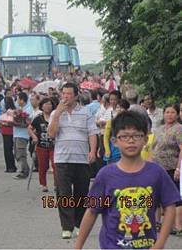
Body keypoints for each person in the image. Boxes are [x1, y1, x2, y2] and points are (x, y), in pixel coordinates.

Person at [75, 111, 180, 249]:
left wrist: (159, 244)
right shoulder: (105, 175)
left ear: (146, 139)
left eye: (137, 135)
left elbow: (170, 206)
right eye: (124, 136)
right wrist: (78, 246)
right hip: (112, 245)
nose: (131, 140)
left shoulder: (156, 173)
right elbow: (91, 211)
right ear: (115, 141)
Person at [48, 82, 98, 239]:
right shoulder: (56, 113)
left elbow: (92, 133)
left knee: (81, 192)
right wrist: (57, 114)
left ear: (76, 95)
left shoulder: (85, 112)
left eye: (69, 94)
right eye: (63, 94)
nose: (66, 97)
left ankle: (79, 224)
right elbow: (51, 134)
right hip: (62, 158)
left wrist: (93, 151)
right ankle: (66, 226)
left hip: (81, 158)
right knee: (64, 192)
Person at [150, 103, 182, 235]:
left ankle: (177, 225)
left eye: (172, 112)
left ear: (177, 114)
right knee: (156, 195)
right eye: (167, 112)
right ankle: (156, 223)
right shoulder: (159, 128)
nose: (169, 115)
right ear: (163, 114)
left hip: (172, 167)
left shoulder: (179, 128)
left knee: (175, 197)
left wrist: (179, 168)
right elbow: (153, 148)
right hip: (158, 167)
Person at [28, 98, 55, 192]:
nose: (48, 106)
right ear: (42, 106)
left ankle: (57, 184)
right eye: (46, 104)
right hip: (41, 145)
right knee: (42, 165)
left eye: (50, 104)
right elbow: (30, 128)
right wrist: (34, 137)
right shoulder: (38, 118)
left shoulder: (55, 117)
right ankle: (43, 184)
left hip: (54, 145)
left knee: (55, 165)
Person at [12, 92, 34, 180]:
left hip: (23, 135)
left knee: (21, 153)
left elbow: (27, 122)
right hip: (16, 133)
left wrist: (17, 121)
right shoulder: (19, 108)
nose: (17, 101)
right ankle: (25, 169)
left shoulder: (28, 109)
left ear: (22, 100)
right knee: (16, 153)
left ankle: (23, 171)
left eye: (18, 99)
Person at [103, 99, 130, 164]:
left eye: (122, 107)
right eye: (118, 107)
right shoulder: (110, 122)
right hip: (113, 151)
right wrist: (107, 151)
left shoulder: (130, 123)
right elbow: (106, 138)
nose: (120, 109)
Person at [1, 96, 17, 173]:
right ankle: (11, 166)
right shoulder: (14, 110)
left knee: (7, 150)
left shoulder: (9, 111)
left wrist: (4, 122)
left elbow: (10, 122)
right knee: (9, 149)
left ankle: (10, 167)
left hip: (7, 131)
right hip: (10, 132)